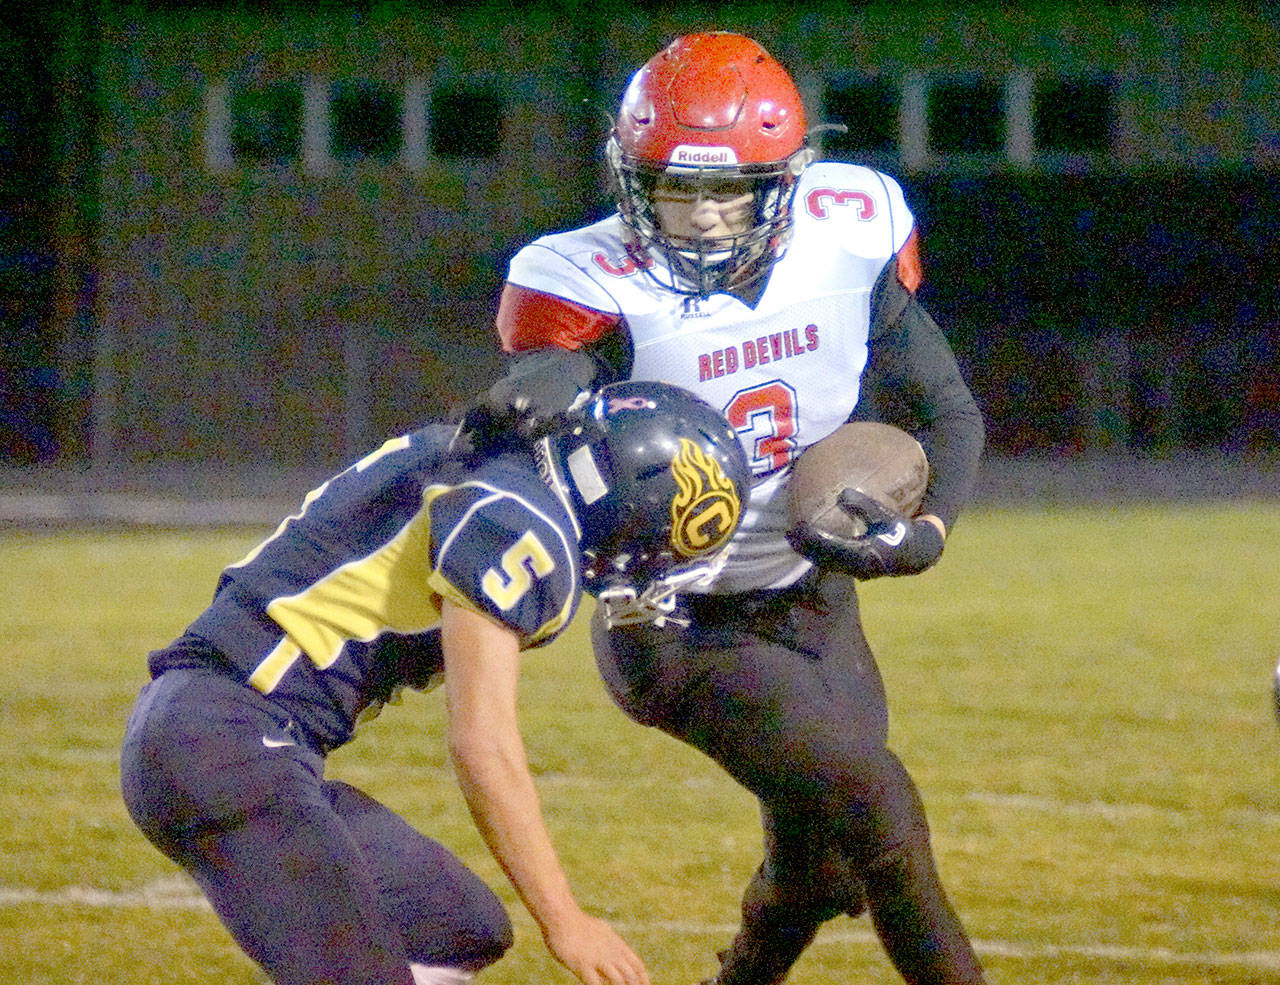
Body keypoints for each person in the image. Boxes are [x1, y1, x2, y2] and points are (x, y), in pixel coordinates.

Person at [474, 31, 988, 985]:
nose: (705, 217)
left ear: (785, 179)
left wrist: (925, 532)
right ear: (633, 178)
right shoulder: (586, 284)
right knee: (879, 805)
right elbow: (535, 413)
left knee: (822, 862)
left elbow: (947, 408)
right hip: (678, 623)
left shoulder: (850, 230)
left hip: (814, 591)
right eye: (678, 187)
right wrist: (528, 405)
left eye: (729, 190)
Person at [119, 380, 752, 985]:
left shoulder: (487, 455)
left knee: (453, 927)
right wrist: (566, 921)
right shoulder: (520, 522)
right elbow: (482, 744)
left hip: (220, 733)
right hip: (228, 746)